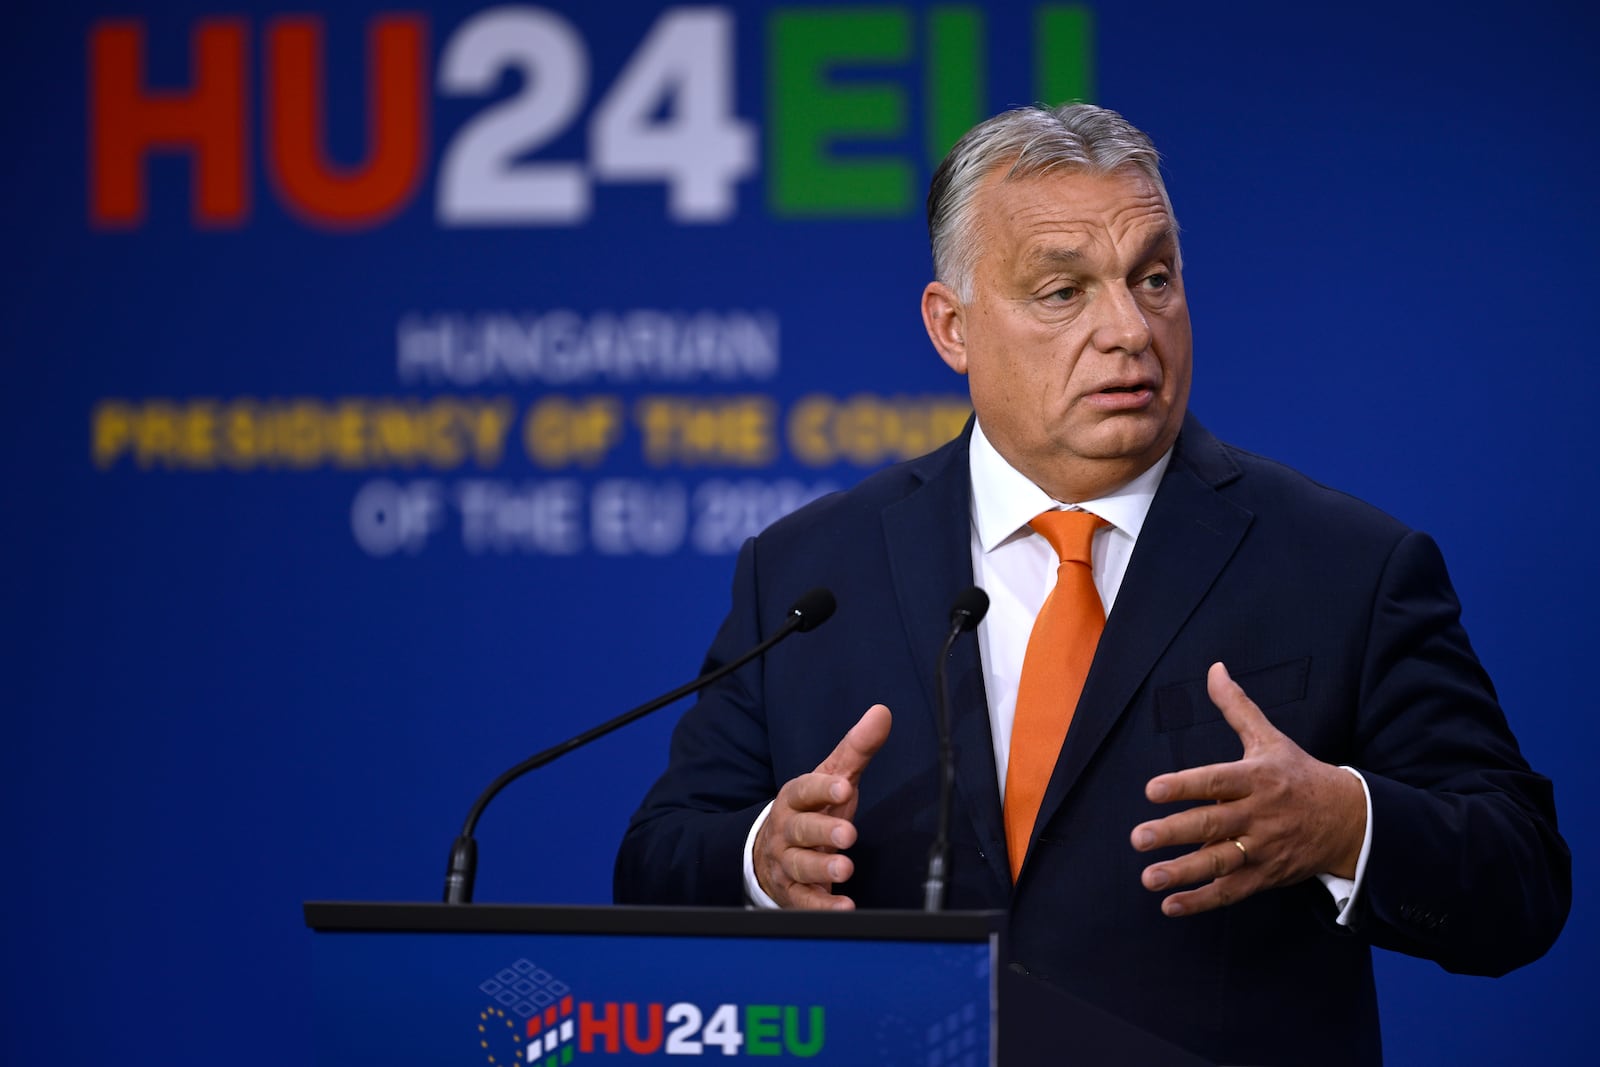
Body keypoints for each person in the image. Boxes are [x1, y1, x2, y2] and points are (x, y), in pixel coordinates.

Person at [613, 103, 1569, 1065]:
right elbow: (658, 859)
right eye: (1063, 291)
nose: (1129, 329)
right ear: (953, 327)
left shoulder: (1347, 563)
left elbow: (1521, 880)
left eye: (1153, 278)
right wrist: (762, 861)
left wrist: (1341, 825)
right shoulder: (810, 571)